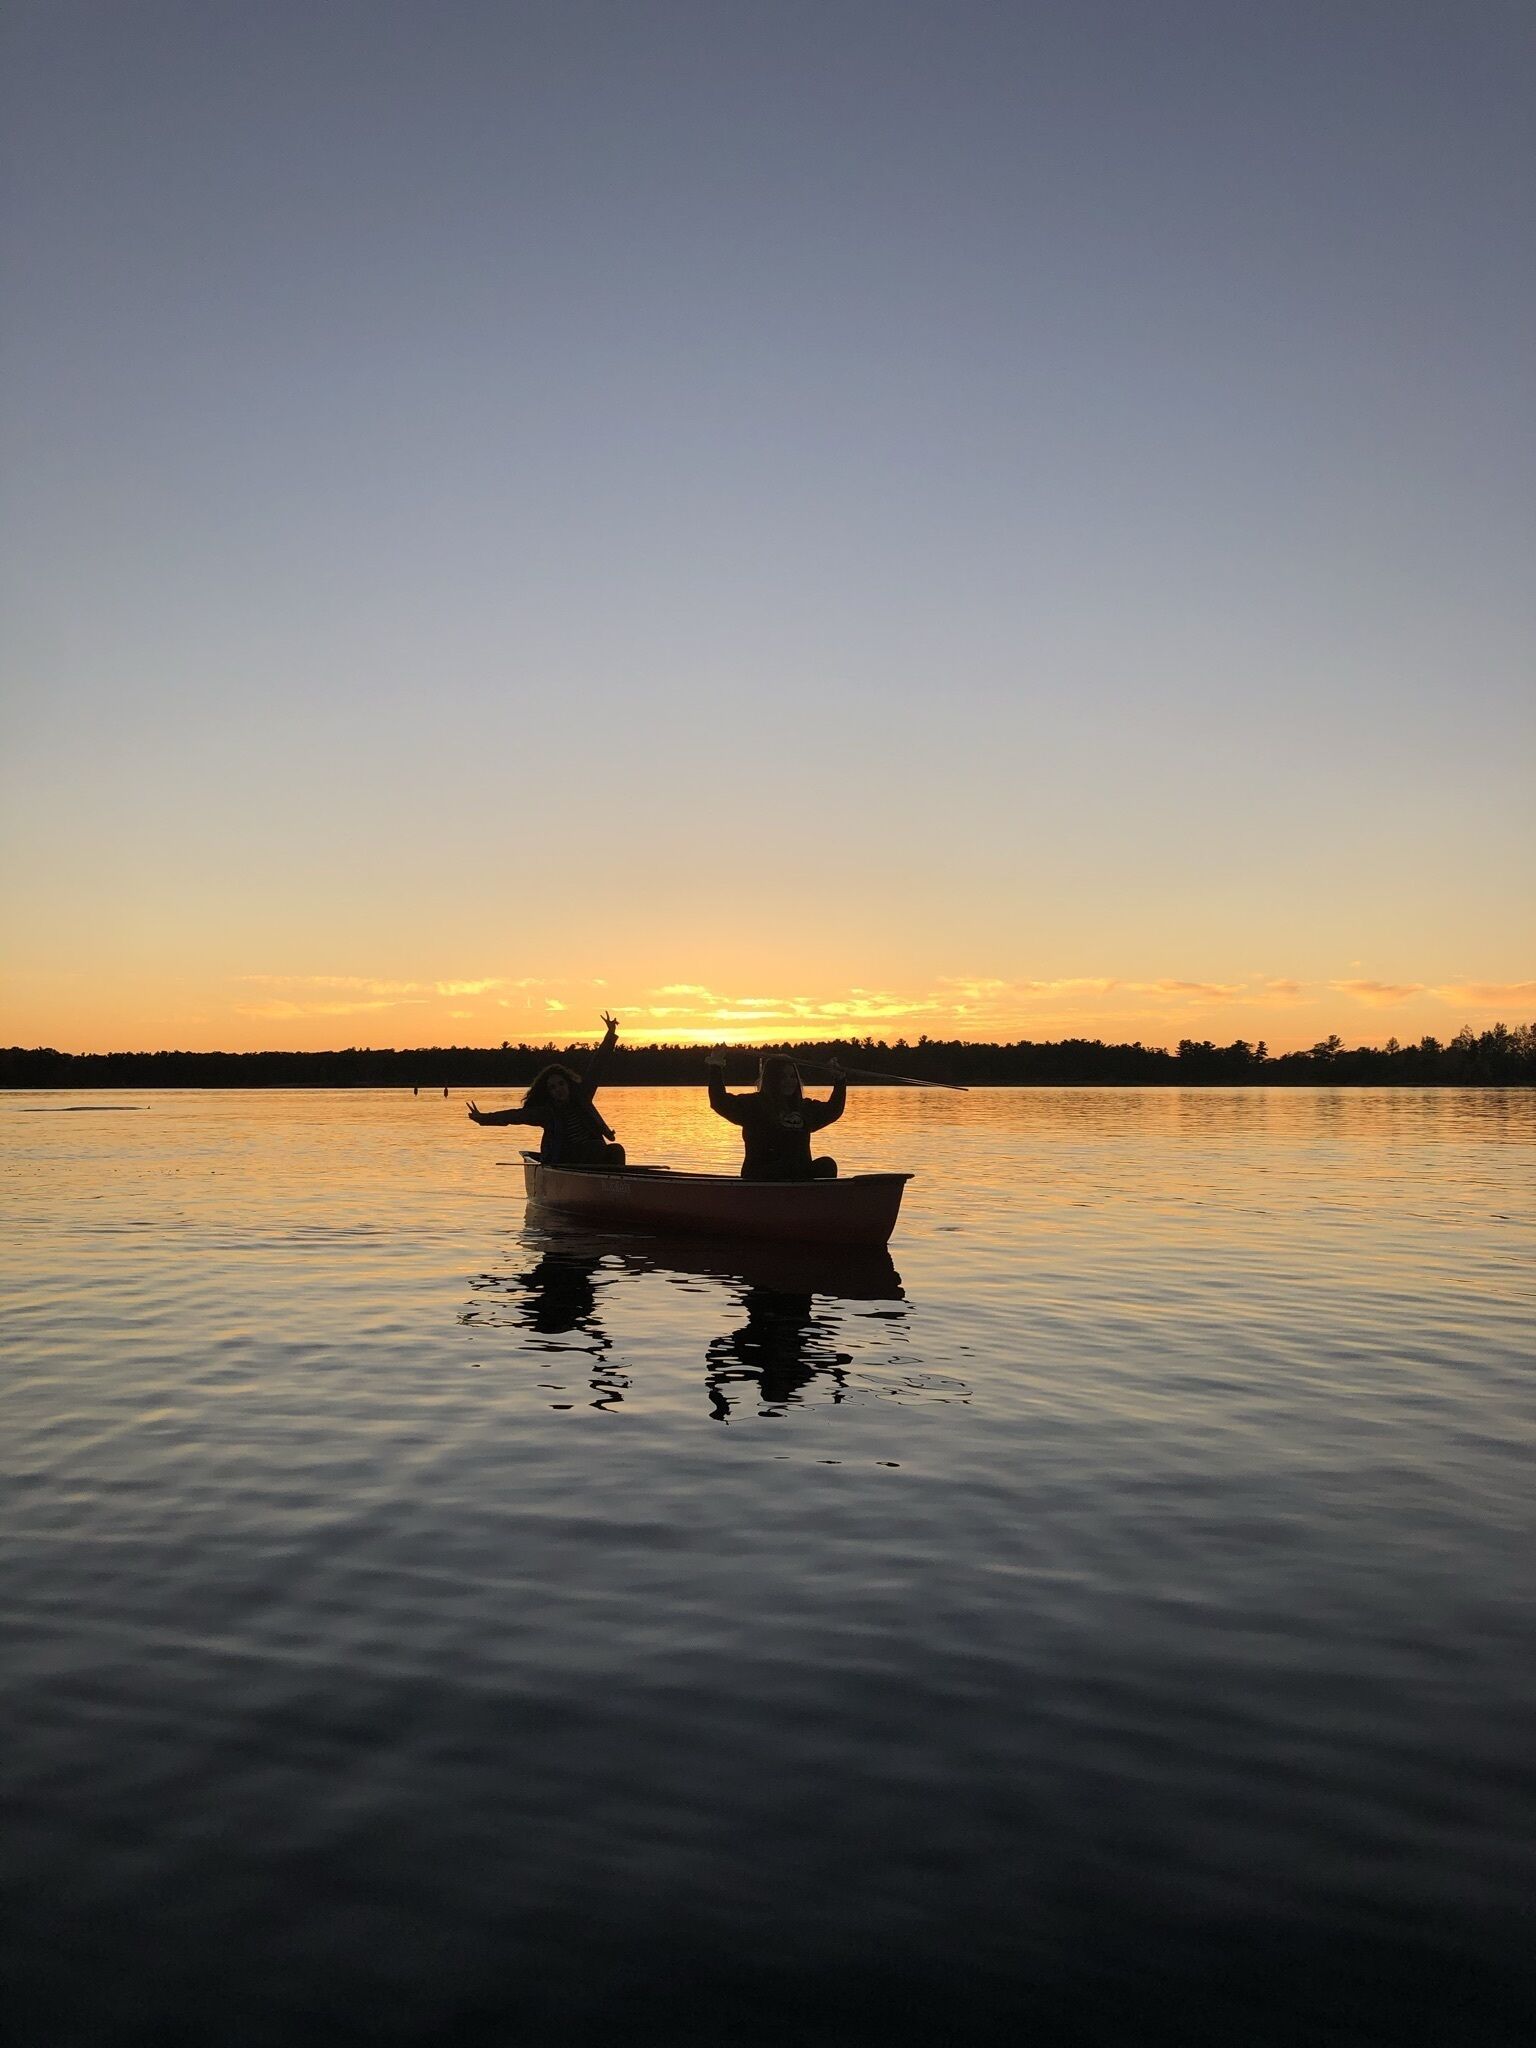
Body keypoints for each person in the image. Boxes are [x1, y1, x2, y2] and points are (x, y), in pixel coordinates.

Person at [466, 1013, 625, 1166]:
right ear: (549, 1092)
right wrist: (483, 1118)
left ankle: (618, 1183)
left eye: (561, 1084)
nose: (558, 1089)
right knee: (594, 1147)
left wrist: (610, 1034)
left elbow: (597, 1066)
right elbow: (514, 1116)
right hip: (564, 1158)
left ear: (568, 1084)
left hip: (592, 1154)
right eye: (553, 1087)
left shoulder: (582, 1097)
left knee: (616, 1150)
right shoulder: (546, 1113)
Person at [705, 1047, 845, 1181]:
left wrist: (839, 1080)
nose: (789, 1081)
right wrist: (716, 1065)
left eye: (792, 1076)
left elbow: (833, 1110)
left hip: (798, 1177)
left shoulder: (804, 1108)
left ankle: (812, 1200)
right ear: (772, 1079)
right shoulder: (754, 1105)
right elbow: (719, 1101)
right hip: (762, 1176)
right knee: (789, 1164)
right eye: (782, 1077)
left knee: (827, 1165)